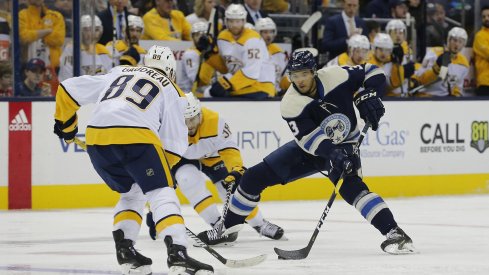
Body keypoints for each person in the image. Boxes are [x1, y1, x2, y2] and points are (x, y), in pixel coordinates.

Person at [197, 49, 416, 255]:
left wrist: (370, 94)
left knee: (352, 189)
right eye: (294, 75)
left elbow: (373, 71)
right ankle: (227, 229)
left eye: (304, 74)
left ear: (314, 72)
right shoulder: (290, 104)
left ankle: (395, 233)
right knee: (253, 177)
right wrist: (332, 154)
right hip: (309, 149)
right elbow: (310, 139)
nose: (299, 80)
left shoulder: (336, 75)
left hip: (346, 143)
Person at [53, 45, 214, 275]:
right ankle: (178, 254)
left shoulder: (120, 72)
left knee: (131, 193)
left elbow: (67, 89)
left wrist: (67, 127)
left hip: (97, 139)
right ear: (171, 70)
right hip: (136, 136)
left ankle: (126, 251)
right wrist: (160, 180)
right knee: (162, 192)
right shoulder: (172, 88)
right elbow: (174, 144)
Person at [147, 93, 285, 243]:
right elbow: (159, 156)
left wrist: (236, 168)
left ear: (200, 113)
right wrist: (154, 206)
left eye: (193, 118)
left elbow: (228, 149)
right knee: (188, 180)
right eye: (184, 121)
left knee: (230, 188)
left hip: (212, 158)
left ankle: (260, 224)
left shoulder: (215, 121)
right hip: (181, 160)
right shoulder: (169, 126)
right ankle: (219, 225)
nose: (190, 125)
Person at [209, 4, 275, 98]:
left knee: (218, 93)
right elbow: (226, 68)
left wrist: (227, 84)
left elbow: (251, 73)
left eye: (238, 21)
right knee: (211, 91)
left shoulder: (253, 39)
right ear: (226, 21)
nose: (234, 25)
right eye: (231, 21)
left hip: (261, 86)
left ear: (244, 21)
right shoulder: (223, 38)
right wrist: (209, 55)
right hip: (242, 84)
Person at [409, 27, 469, 97]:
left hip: (445, 99)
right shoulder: (433, 53)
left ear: (464, 44)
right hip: (426, 96)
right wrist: (436, 67)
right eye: (454, 40)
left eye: (460, 42)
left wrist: (455, 96)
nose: (457, 44)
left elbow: (457, 86)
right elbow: (421, 79)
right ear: (448, 40)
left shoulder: (464, 63)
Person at [58, 15, 112, 81]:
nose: (92, 34)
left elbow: (109, 77)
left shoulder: (103, 50)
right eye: (87, 30)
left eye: (97, 29)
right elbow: (66, 76)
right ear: (80, 31)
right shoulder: (72, 49)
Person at [19, 0, 65, 69]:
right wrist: (47, 31)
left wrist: (35, 35)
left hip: (53, 68)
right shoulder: (22, 15)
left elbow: (59, 39)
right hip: (30, 67)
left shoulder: (56, 16)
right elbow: (24, 37)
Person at [255, 17, 289, 95]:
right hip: (258, 93)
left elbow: (284, 76)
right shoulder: (253, 50)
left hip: (276, 94)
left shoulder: (278, 51)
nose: (269, 35)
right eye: (265, 32)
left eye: (271, 32)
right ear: (258, 33)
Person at [385, 19, 416, 96]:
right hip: (390, 96)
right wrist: (402, 72)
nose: (398, 35)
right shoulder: (382, 50)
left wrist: (413, 81)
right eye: (394, 32)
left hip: (405, 94)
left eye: (401, 32)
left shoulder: (408, 51)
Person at [473, 6, 489, 96]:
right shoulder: (480, 36)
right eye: (483, 17)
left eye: (488, 15)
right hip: (485, 83)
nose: (486, 18)